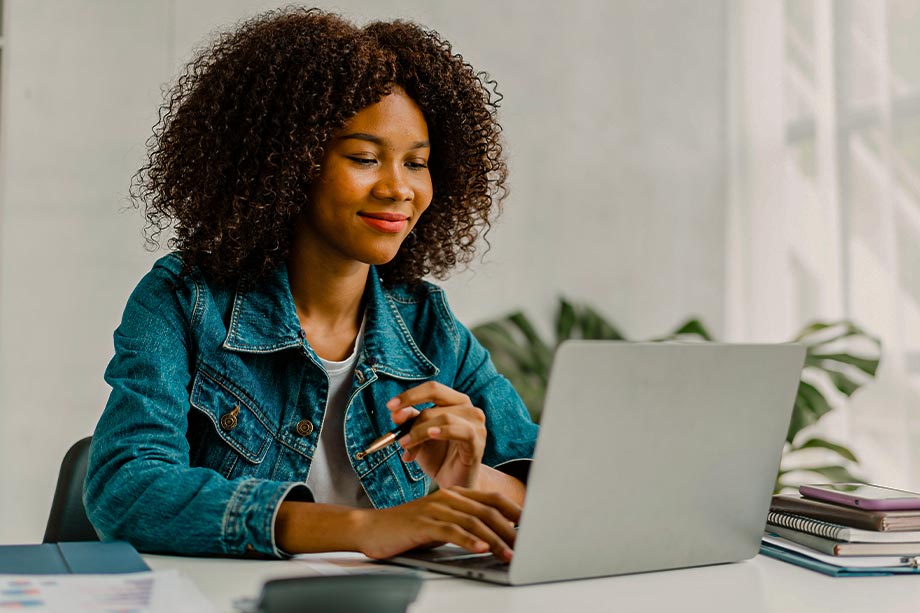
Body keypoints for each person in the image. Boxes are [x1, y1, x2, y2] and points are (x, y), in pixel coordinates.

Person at [84, 8, 539, 562]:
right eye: (366, 158)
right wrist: (362, 529)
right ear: (288, 164)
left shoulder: (427, 327)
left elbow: (562, 505)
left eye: (417, 164)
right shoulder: (183, 302)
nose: (399, 189)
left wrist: (473, 481)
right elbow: (127, 490)